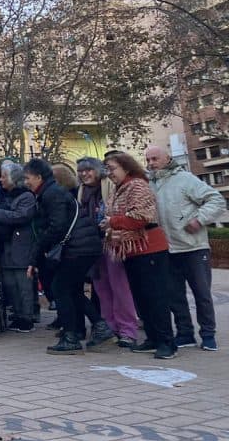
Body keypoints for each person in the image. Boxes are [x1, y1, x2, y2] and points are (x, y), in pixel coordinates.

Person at [145, 144, 222, 351]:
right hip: (166, 249)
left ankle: (207, 334)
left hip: (193, 247)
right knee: (174, 295)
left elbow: (216, 199)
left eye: (155, 159)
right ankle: (185, 333)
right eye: (148, 160)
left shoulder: (185, 179)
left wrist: (199, 220)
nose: (151, 163)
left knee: (202, 293)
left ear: (167, 158)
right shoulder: (149, 184)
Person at [102, 152, 178, 360]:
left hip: (149, 248)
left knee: (156, 297)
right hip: (130, 250)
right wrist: (109, 223)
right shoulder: (119, 189)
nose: (109, 174)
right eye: (107, 169)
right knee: (142, 298)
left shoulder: (138, 185)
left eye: (112, 168)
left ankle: (166, 342)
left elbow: (140, 217)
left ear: (126, 167)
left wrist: (112, 222)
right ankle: (153, 338)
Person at [25, 158, 102, 355]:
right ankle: (100, 328)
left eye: (28, 178)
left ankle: (72, 336)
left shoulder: (51, 194)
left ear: (39, 177)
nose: (26, 182)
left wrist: (38, 251)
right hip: (82, 245)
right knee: (72, 289)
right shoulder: (50, 192)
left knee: (61, 287)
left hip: (79, 247)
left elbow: (56, 227)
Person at [78, 157, 137, 347]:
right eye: (81, 171)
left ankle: (128, 330)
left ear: (98, 171)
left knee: (120, 287)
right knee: (102, 289)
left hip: (112, 242)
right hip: (92, 245)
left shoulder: (110, 188)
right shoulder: (82, 192)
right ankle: (109, 326)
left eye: (88, 170)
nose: (84, 174)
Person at [0, 161, 37, 333]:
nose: (0, 179)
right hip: (3, 246)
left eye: (3, 176)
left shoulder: (26, 196)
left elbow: (22, 216)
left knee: (22, 284)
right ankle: (17, 315)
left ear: (13, 178)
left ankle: (27, 317)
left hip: (20, 246)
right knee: (9, 284)